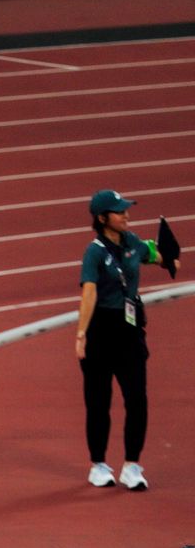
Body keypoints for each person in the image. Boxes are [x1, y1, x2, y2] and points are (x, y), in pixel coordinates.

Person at [76, 190, 178, 490]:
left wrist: (169, 258)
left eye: (126, 210)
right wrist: (81, 334)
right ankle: (99, 464)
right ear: (102, 218)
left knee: (137, 399)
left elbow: (158, 256)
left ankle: (132, 466)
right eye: (120, 212)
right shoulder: (94, 252)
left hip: (130, 332)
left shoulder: (133, 243)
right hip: (100, 331)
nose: (127, 215)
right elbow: (89, 292)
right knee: (98, 402)